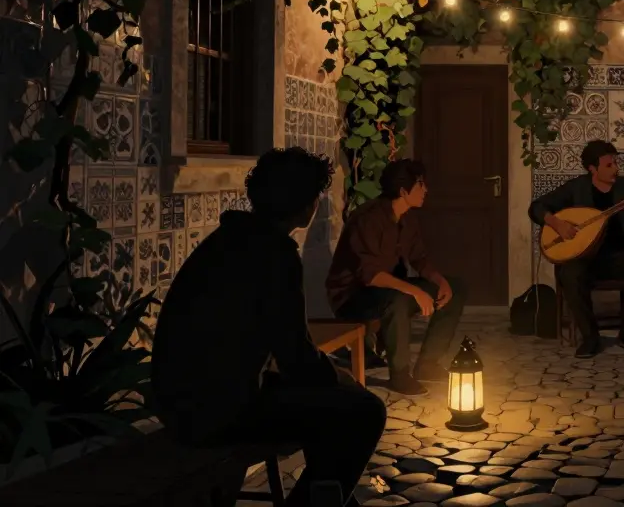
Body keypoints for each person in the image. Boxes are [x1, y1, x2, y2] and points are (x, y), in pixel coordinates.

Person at [152, 148, 387, 507]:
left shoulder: (228, 239)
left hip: (180, 399)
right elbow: (295, 356)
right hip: (218, 411)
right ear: (306, 204)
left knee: (333, 401)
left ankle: (332, 499)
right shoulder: (274, 254)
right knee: (366, 410)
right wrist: (334, 375)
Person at [326, 159, 467, 396]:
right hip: (354, 297)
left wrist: (440, 282)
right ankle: (400, 375)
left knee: (456, 288)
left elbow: (419, 258)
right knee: (397, 300)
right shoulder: (368, 218)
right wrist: (413, 291)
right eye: (420, 184)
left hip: (388, 289)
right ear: (403, 190)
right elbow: (369, 275)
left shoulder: (408, 217)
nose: (426, 190)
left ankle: (428, 365)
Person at [529, 140, 624, 359]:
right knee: (570, 274)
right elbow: (536, 207)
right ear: (592, 169)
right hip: (586, 259)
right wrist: (558, 224)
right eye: (609, 165)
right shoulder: (576, 188)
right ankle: (590, 337)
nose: (616, 168)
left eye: (615, 163)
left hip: (620, 258)